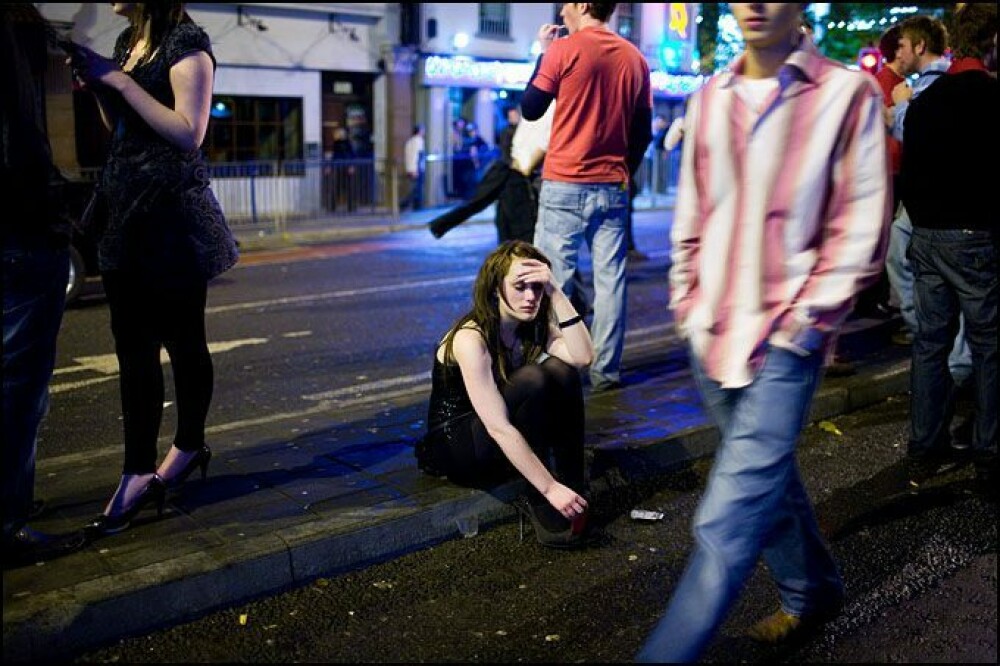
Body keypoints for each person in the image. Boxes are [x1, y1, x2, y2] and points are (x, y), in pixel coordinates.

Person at [636, 4, 891, 661]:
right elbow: (691, 211)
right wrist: (687, 304)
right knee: (768, 479)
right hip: (712, 333)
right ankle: (813, 589)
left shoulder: (844, 93)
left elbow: (861, 223)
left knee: (726, 518)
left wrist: (806, 323)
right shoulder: (710, 98)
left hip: (784, 339)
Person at [66, 2, 239, 537]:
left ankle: (187, 446)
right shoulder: (126, 44)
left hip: (171, 219)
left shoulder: (188, 43)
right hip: (126, 214)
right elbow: (123, 126)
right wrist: (101, 87)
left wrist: (118, 81)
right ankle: (137, 470)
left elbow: (189, 133)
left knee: (186, 342)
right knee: (132, 351)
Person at [415, 240, 595, 548]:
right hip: (458, 446)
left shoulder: (533, 323)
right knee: (533, 378)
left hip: (496, 434)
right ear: (497, 288)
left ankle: (574, 482)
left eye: (537, 287)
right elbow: (498, 425)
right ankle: (542, 497)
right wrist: (549, 488)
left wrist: (557, 292)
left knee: (562, 370)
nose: (530, 297)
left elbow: (582, 358)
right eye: (520, 286)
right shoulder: (471, 338)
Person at [522, 2, 652, 393]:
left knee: (552, 280)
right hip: (612, 185)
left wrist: (544, 54)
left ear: (581, 4)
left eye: (565, 5)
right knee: (610, 282)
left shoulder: (563, 50)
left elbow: (530, 108)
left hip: (564, 182)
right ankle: (606, 371)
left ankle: (555, 368)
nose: (561, 12)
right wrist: (623, 170)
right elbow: (642, 131)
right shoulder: (635, 58)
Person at [2, 3, 88, 567]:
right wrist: (51, 213)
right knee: (17, 386)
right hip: (17, 227)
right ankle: (8, 520)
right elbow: (17, 134)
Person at [899, 2, 997, 487]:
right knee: (988, 346)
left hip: (928, 235)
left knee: (930, 343)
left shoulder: (925, 102)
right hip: (975, 235)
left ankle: (925, 442)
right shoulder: (990, 98)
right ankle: (988, 448)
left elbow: (909, 172)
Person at [885, 15, 972, 390]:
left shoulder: (935, 84)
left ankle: (950, 359)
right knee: (899, 251)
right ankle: (939, 342)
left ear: (919, 46)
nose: (896, 53)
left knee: (957, 281)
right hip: (927, 199)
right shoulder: (926, 84)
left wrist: (900, 108)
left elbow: (916, 134)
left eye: (902, 45)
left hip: (940, 199)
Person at [400, 124, 425, 212]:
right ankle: (405, 204)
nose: (424, 132)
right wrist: (416, 169)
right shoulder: (418, 141)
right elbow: (417, 155)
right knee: (417, 189)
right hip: (416, 168)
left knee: (416, 188)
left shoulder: (409, 141)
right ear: (419, 131)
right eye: (423, 130)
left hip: (410, 168)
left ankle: (415, 206)